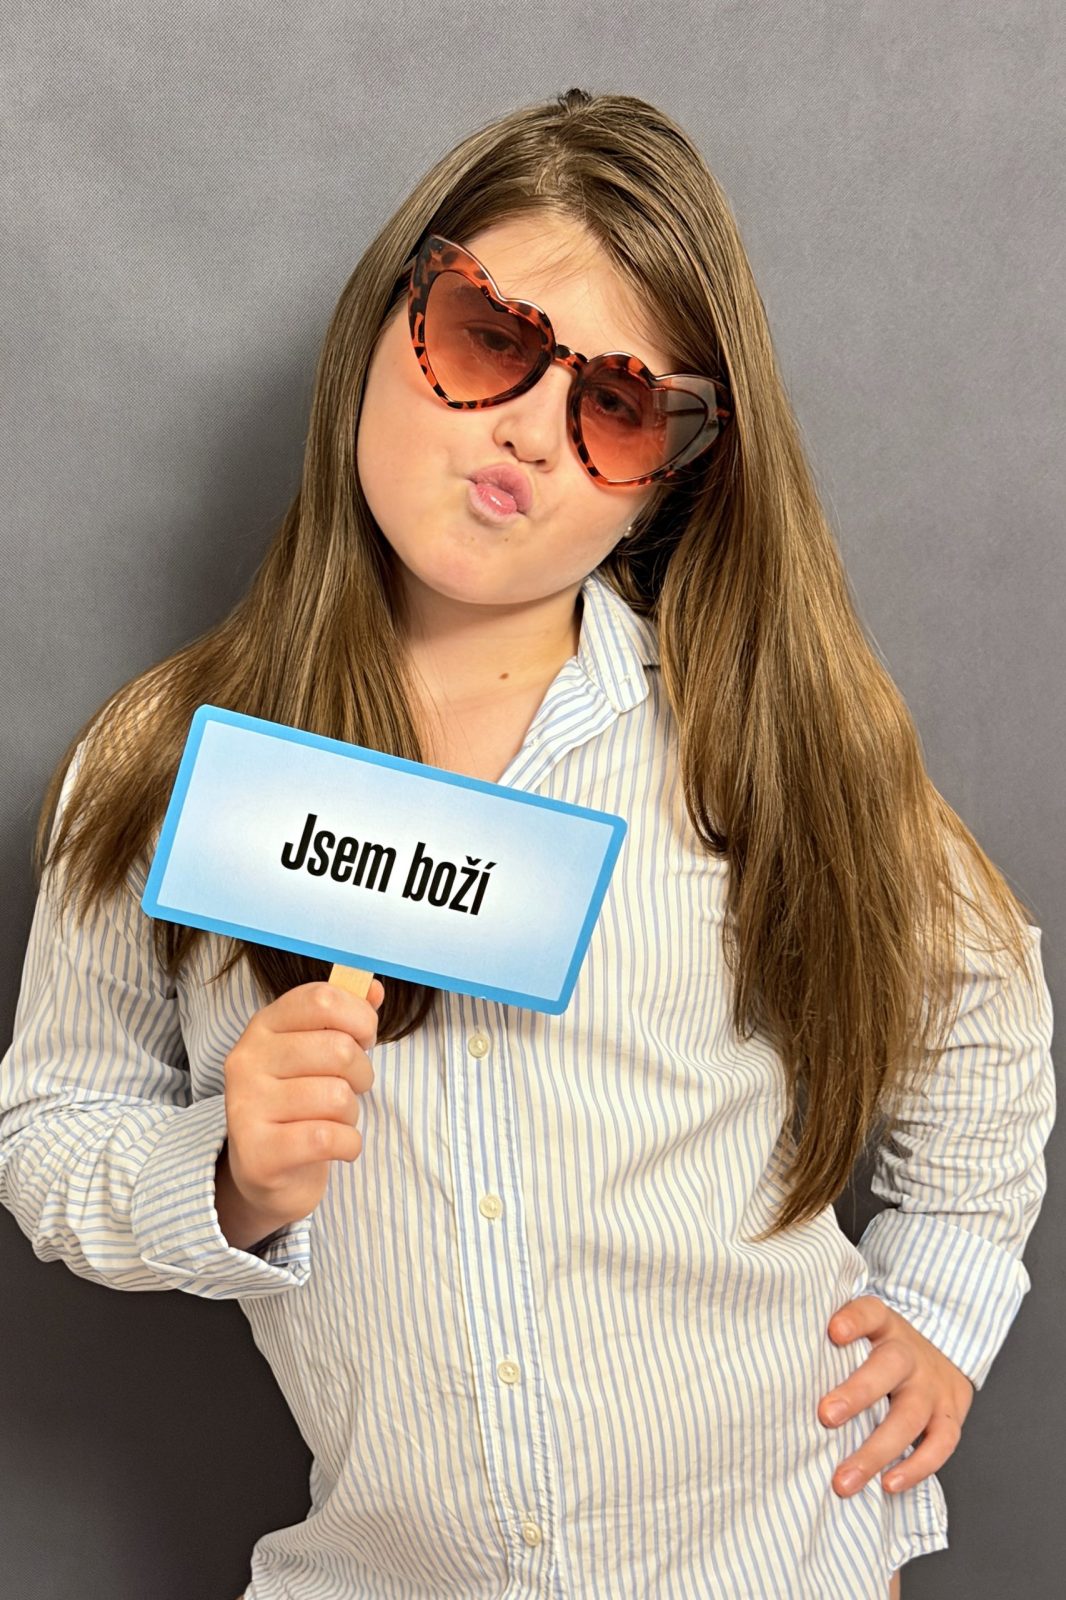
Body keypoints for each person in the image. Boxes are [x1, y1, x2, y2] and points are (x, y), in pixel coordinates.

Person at [0, 86, 1054, 1600]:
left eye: (614, 406)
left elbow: (979, 998)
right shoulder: (163, 766)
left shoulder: (744, 733)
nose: (529, 432)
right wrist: (222, 1176)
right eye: (491, 338)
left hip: (771, 1556)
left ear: (669, 473)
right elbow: (51, 1130)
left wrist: (944, 1296)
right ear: (386, 318)